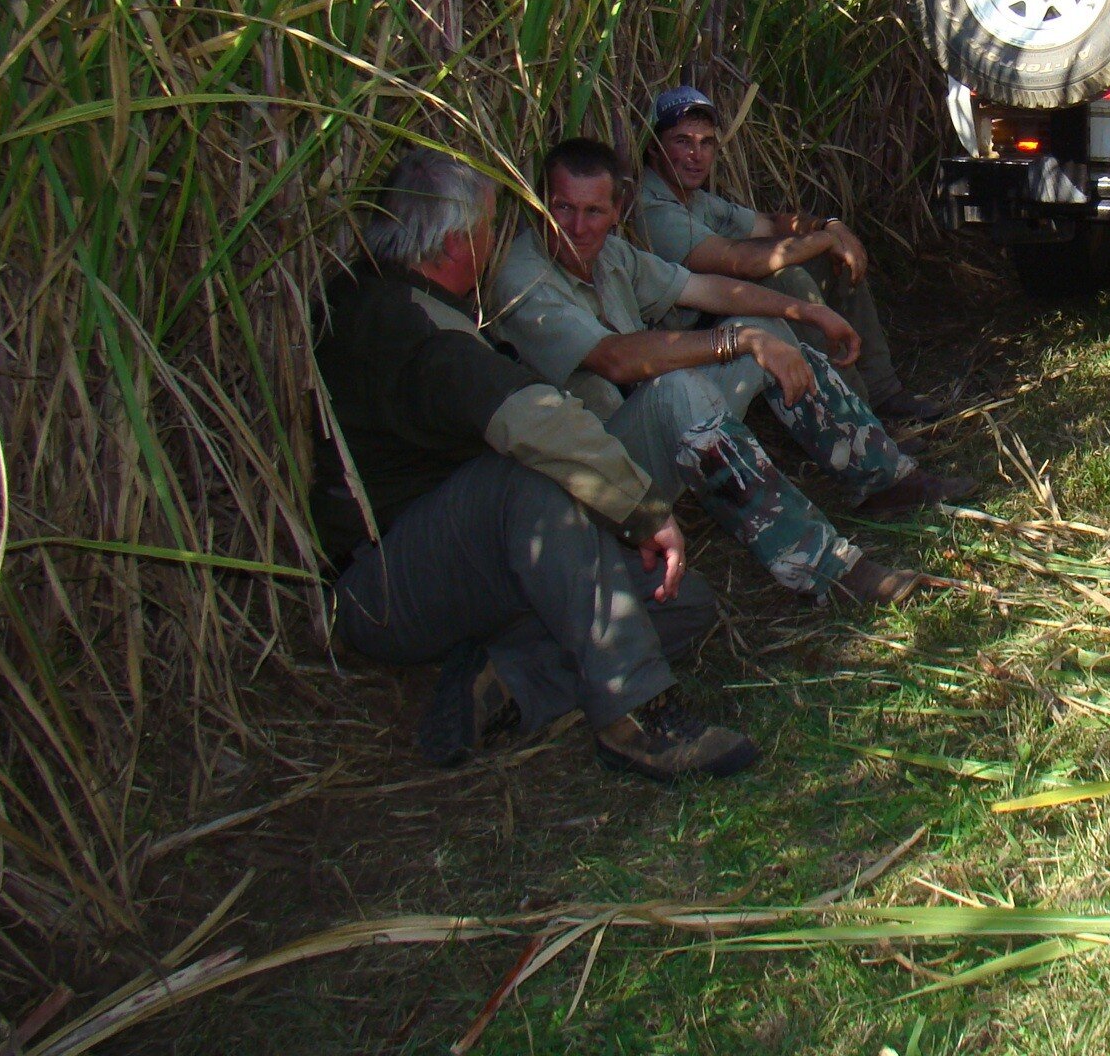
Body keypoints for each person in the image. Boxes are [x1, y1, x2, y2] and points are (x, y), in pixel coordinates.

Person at [312, 150, 758, 783]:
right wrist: (641, 510)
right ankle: (636, 717)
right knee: (529, 482)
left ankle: (508, 678)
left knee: (681, 604)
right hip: (388, 587)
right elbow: (530, 419)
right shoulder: (403, 322)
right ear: (458, 240)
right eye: (491, 226)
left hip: (468, 572)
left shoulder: (397, 301)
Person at [489, 139, 974, 607]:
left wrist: (806, 315)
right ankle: (826, 568)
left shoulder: (613, 256)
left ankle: (881, 475)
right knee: (684, 386)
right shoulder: (524, 278)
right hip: (590, 483)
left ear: (616, 212)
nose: (577, 226)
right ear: (539, 205)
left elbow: (708, 290)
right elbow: (613, 358)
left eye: (593, 211)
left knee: (761, 329)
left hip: (640, 445)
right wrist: (733, 341)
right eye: (562, 208)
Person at [631, 86, 943, 423]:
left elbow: (770, 223)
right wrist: (823, 239)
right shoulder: (654, 209)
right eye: (683, 141)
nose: (697, 154)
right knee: (787, 279)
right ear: (653, 146)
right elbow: (740, 261)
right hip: (687, 342)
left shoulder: (698, 200)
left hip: (718, 317)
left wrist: (831, 226)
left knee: (831, 262)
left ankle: (883, 391)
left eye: (706, 143)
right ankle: (861, 418)